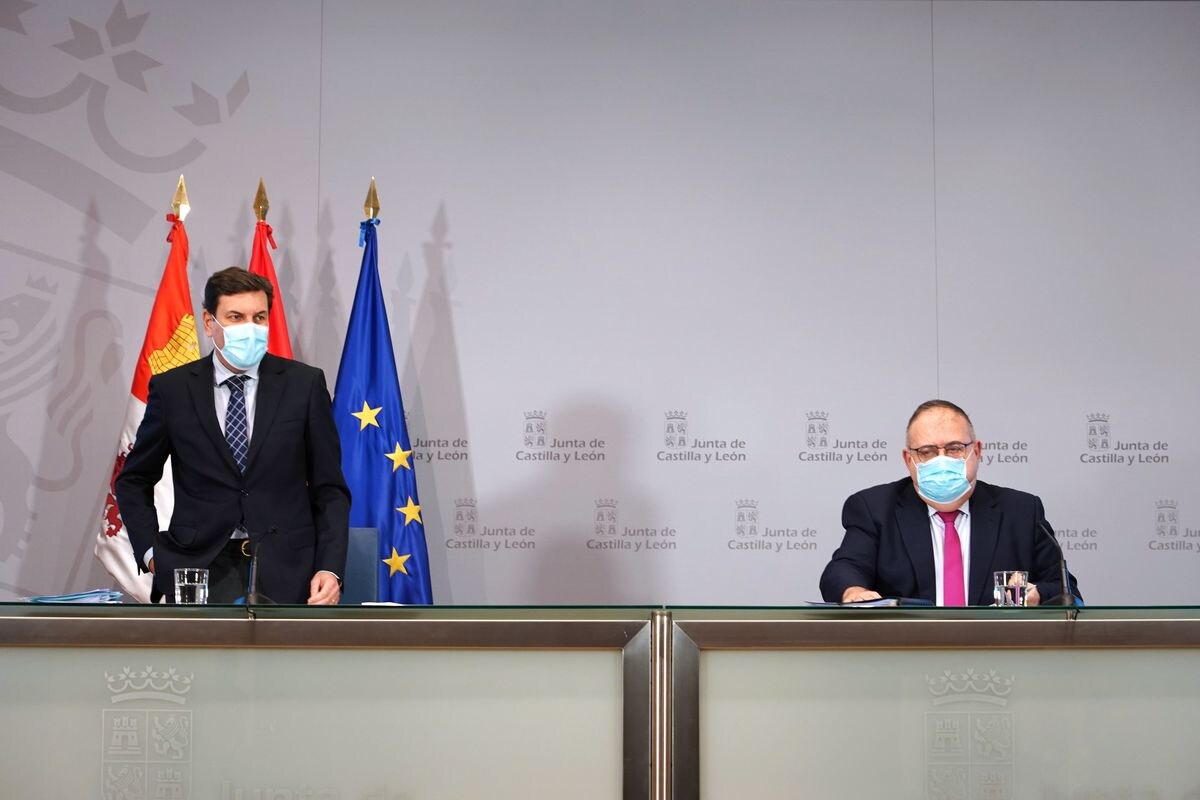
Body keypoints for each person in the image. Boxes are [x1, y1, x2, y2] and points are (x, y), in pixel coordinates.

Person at [115, 267, 350, 604]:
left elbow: (330, 489)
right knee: (203, 659)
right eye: (236, 317)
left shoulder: (305, 385)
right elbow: (133, 479)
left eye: (259, 317)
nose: (250, 328)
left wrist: (330, 568)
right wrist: (153, 554)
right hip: (196, 569)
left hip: (289, 570)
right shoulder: (173, 390)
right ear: (210, 323)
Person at [819, 400, 1081, 606]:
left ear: (976, 452)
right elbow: (843, 569)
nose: (941, 460)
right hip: (904, 655)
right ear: (908, 460)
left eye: (955, 448)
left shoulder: (1021, 510)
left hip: (999, 654)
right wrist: (853, 591)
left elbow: (1065, 588)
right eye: (927, 452)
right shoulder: (874, 508)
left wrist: (1035, 595)